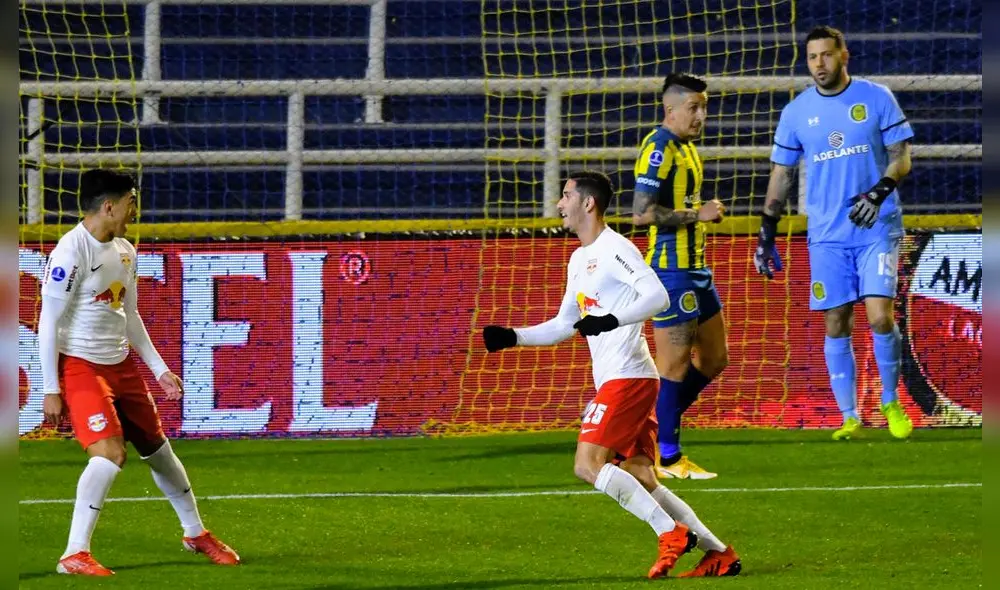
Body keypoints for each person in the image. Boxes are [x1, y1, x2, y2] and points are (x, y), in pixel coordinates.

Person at [483, 170, 741, 578]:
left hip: (629, 377)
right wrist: (513, 337)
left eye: (565, 195)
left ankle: (668, 533)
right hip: (623, 377)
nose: (559, 204)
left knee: (587, 465)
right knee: (641, 476)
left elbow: (656, 295)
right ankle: (718, 553)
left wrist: (610, 320)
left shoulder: (615, 248)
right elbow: (565, 324)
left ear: (588, 203)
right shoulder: (579, 258)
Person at [39, 169, 241, 576]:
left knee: (159, 451)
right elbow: (48, 321)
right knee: (110, 454)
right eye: (130, 202)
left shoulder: (126, 250)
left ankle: (195, 533)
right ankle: (74, 554)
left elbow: (128, 314)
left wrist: (160, 369)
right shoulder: (69, 253)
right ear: (109, 206)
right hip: (80, 367)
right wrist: (50, 388)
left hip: (121, 366)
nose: (135, 210)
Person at [755, 25, 915, 440]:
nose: (819, 64)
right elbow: (781, 174)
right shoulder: (796, 113)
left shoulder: (876, 97)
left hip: (876, 226)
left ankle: (890, 400)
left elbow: (901, 159)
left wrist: (878, 194)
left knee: (880, 316)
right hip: (827, 234)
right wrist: (766, 231)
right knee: (835, 321)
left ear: (844, 55)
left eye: (827, 55)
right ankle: (849, 416)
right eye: (812, 57)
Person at [631, 73, 729, 479]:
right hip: (671, 272)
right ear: (670, 109)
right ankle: (667, 457)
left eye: (704, 107)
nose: (702, 115)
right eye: (694, 107)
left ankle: (647, 426)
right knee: (672, 367)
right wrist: (697, 214)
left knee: (715, 359)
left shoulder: (688, 149)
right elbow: (641, 212)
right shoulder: (658, 147)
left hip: (697, 269)